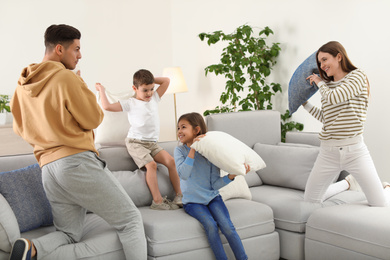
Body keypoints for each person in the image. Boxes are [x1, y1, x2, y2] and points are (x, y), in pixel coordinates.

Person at [9, 24, 147, 260]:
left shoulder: (22, 86)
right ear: (60, 49)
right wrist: (80, 84)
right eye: (76, 49)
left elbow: (19, 127)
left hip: (48, 169)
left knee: (69, 233)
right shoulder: (65, 77)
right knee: (130, 221)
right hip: (76, 163)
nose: (80, 55)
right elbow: (94, 118)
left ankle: (32, 249)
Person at [302, 41, 389, 206]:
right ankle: (347, 183)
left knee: (380, 205)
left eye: (325, 59)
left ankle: (386, 189)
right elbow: (327, 118)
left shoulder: (357, 76)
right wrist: (305, 105)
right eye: (320, 62)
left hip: (354, 151)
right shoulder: (327, 86)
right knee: (309, 201)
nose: (322, 65)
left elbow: (335, 97)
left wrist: (319, 81)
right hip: (328, 152)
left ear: (339, 57)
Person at [95, 69, 183, 210]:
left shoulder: (154, 98)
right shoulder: (130, 103)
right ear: (135, 88)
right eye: (145, 90)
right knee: (152, 165)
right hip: (135, 142)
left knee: (171, 161)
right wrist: (101, 90)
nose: (149, 93)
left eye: (151, 89)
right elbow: (107, 107)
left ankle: (179, 195)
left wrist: (150, 79)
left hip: (152, 143)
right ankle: (157, 201)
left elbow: (166, 81)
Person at [174, 112, 249, 260]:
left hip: (213, 198)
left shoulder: (210, 153)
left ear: (196, 130)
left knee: (227, 227)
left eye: (183, 127)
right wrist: (193, 150)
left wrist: (231, 176)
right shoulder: (180, 151)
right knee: (211, 226)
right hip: (193, 202)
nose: (179, 131)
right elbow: (183, 174)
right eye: (178, 128)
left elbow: (214, 185)